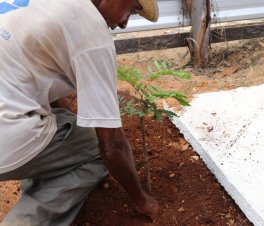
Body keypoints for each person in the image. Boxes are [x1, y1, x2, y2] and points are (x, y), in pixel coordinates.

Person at [0, 0, 159, 225]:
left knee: (72, 128)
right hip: (5, 139)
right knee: (96, 151)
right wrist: (141, 199)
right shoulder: (91, 33)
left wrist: (76, 129)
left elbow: (37, 74)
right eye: (132, 10)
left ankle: (49, 170)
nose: (123, 24)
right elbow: (111, 145)